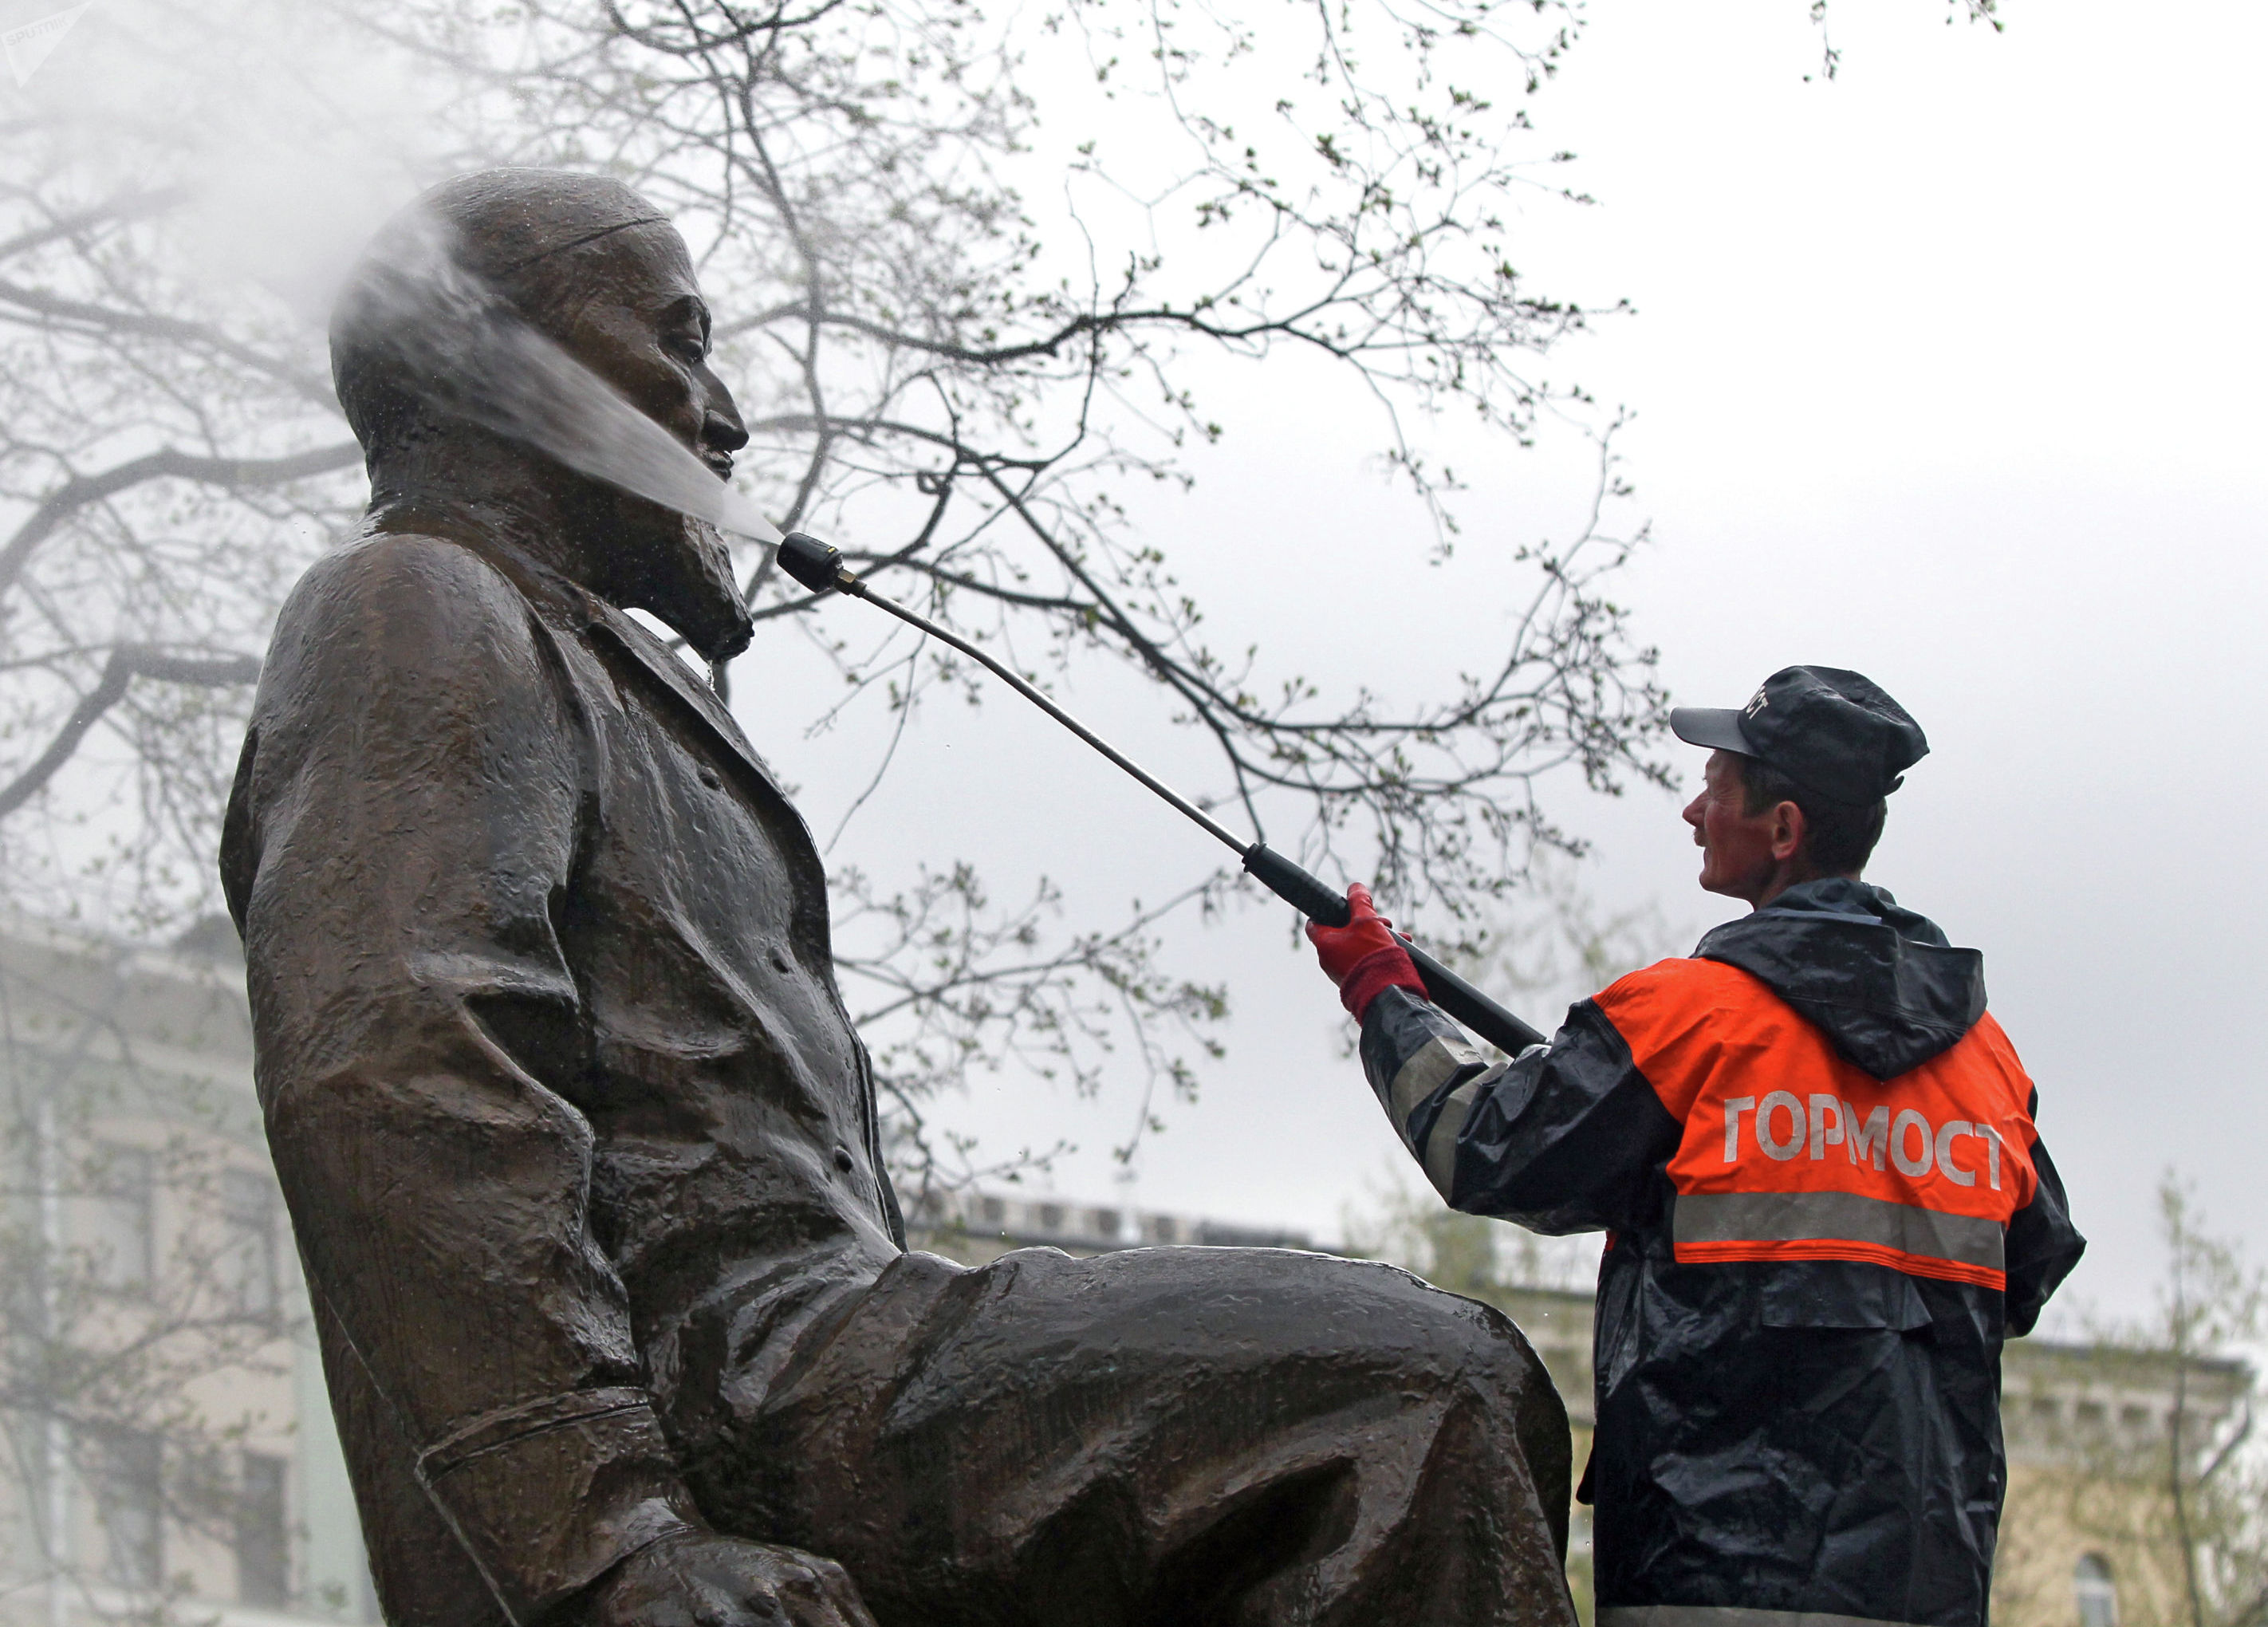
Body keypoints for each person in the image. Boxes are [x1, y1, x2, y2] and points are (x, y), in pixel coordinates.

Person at [221, 167, 1577, 1627]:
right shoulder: (416, 601)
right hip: (736, 1386)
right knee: (1403, 1389)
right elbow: (398, 1080)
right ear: (503, 365)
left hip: (794, 1370)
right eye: (676, 341)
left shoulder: (577, 655)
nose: (722, 415)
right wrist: (612, 1542)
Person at [1308, 665, 2086, 1627]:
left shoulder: (1690, 1022)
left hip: (1706, 1586)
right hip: (1930, 1597)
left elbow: (1478, 1140)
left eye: (1716, 785)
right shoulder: (1986, 1059)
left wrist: (1383, 991)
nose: (1692, 809)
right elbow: (2029, 1268)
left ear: (1784, 830)